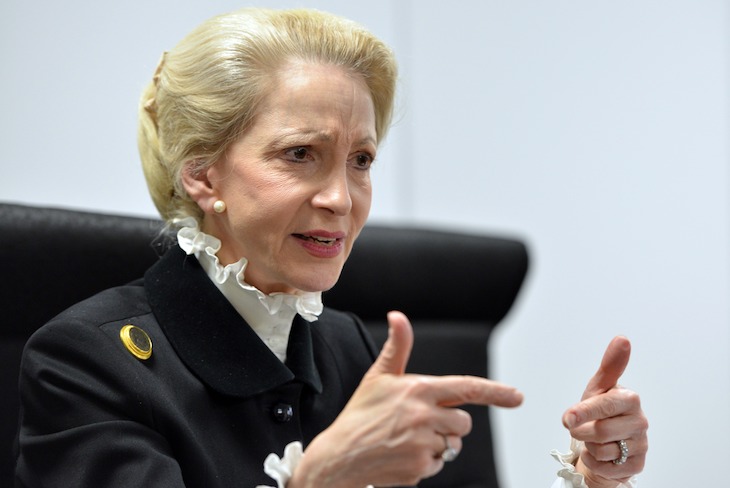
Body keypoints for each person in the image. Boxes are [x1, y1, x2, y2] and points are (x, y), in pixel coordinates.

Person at [14, 7, 648, 488]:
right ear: (203, 176)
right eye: (300, 154)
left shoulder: (351, 346)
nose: (342, 198)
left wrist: (592, 478)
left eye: (361, 160)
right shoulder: (84, 362)